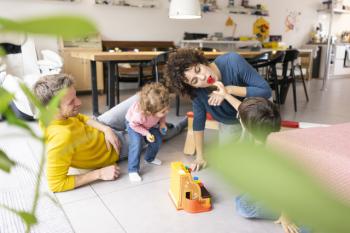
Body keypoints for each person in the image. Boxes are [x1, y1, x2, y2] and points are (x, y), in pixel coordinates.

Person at [33, 74, 186, 192]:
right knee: (157, 134)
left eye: (76, 97)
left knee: (142, 97)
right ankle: (185, 122)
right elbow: (56, 184)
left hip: (102, 124)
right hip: (113, 148)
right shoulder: (60, 139)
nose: (79, 103)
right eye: (71, 102)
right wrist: (98, 174)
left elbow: (81, 117)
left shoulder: (51, 116)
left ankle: (158, 119)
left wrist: (105, 129)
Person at [213, 81, 309, 233]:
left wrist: (286, 216)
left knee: (244, 206)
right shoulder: (266, 129)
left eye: (240, 119)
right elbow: (243, 110)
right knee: (244, 200)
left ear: (246, 127)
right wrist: (225, 94)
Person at [164, 48, 272, 171]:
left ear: (201, 61)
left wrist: (228, 90)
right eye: (195, 80)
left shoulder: (232, 61)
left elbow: (265, 91)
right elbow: (198, 121)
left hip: (255, 113)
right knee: (229, 166)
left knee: (258, 162)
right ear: (191, 86)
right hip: (230, 122)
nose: (203, 77)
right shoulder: (196, 92)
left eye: (198, 69)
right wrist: (200, 157)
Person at [125, 82, 169, 182]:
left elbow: (162, 115)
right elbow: (133, 125)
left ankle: (149, 158)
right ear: (150, 112)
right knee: (136, 143)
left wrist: (162, 123)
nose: (166, 112)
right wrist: (146, 133)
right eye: (163, 111)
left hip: (149, 124)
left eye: (167, 109)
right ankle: (132, 170)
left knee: (157, 139)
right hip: (134, 125)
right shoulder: (139, 115)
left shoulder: (160, 108)